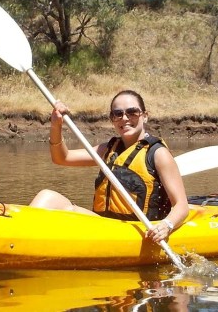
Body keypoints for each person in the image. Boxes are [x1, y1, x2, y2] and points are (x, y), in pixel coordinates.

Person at [29, 90, 189, 244]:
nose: (124, 118)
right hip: (105, 225)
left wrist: (166, 225)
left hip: (138, 231)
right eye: (118, 114)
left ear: (144, 116)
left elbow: (181, 206)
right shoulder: (108, 149)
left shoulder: (158, 154)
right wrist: (56, 125)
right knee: (48, 196)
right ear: (112, 119)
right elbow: (62, 158)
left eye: (132, 112)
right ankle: (24, 239)